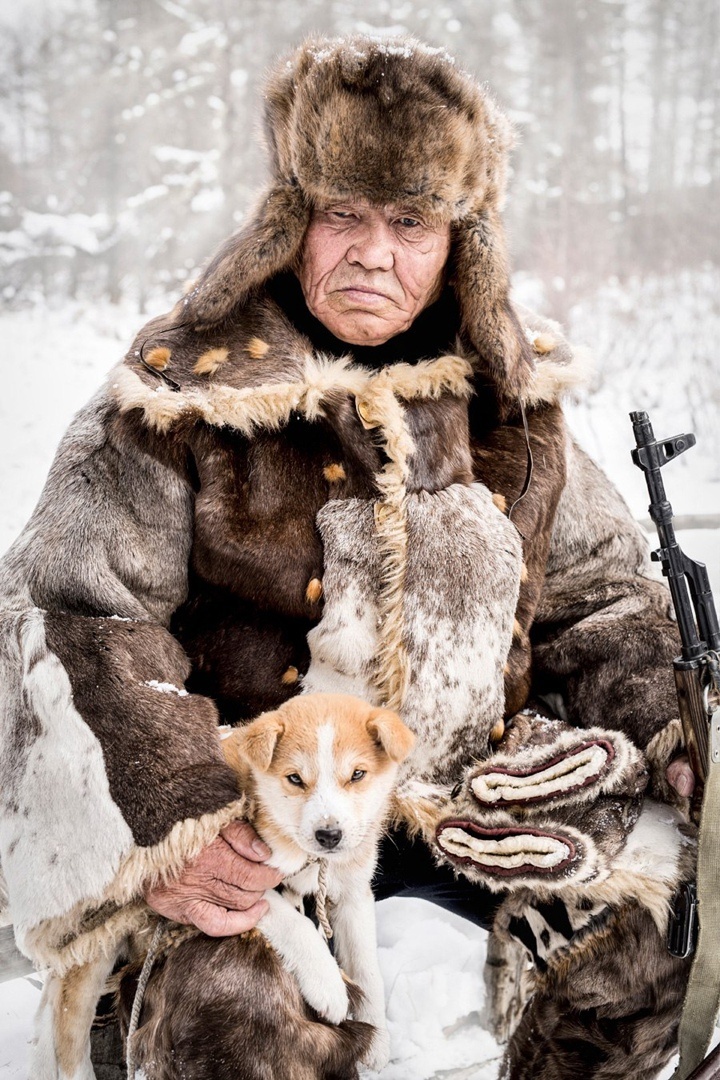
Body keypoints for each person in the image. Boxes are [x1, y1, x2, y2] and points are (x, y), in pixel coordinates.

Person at [0, 34, 693, 1078]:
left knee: (663, 949)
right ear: (290, 221)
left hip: (475, 819)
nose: (375, 251)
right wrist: (177, 820)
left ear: (457, 239)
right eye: (344, 215)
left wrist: (674, 725)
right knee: (232, 1015)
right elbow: (74, 615)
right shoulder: (176, 398)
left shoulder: (515, 412)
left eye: (410, 221)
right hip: (261, 830)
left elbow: (605, 604)